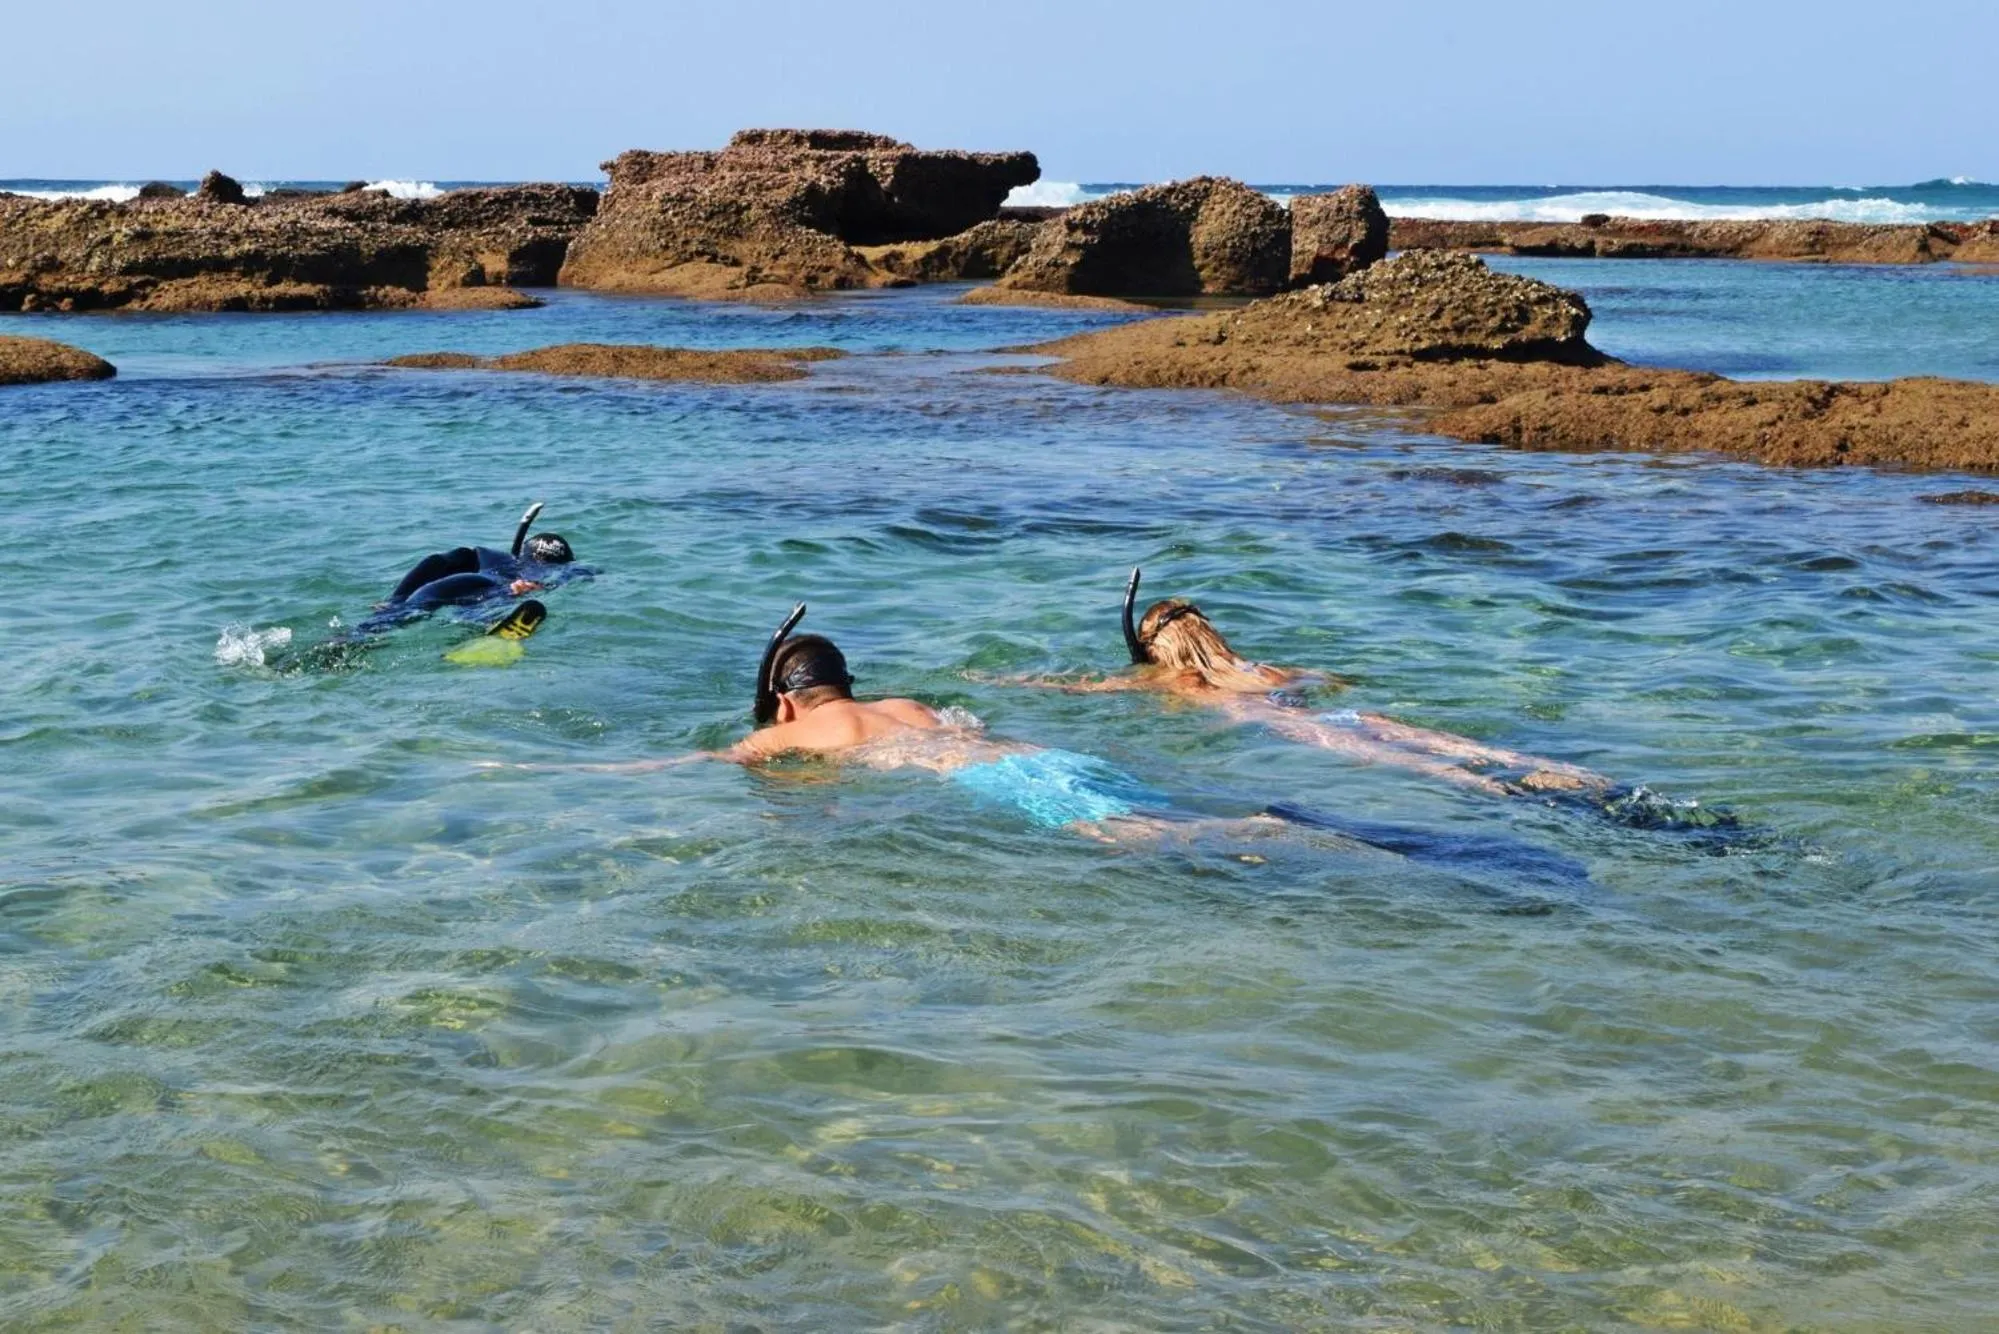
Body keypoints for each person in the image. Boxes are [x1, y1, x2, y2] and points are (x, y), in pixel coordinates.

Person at [1000, 567, 1739, 836]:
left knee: (1456, 778)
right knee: (1496, 753)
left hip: (1313, 737)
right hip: (1340, 715)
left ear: (1157, 648)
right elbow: (1331, 681)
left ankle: (1551, 808)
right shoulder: (1262, 666)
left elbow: (1081, 688)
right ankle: (1604, 789)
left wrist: (1003, 683)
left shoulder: (1176, 682)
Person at [359, 501, 589, 633]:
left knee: (392, 620)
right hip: (492, 592)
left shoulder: (492, 557)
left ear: (525, 551)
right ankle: (481, 628)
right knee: (474, 614)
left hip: (451, 585)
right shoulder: (560, 571)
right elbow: (583, 574)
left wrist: (395, 599)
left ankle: (349, 639)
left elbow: (439, 561)